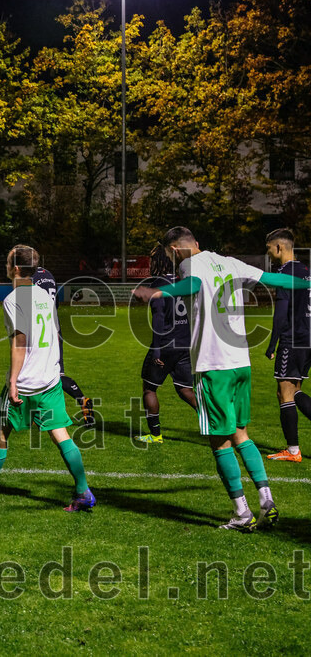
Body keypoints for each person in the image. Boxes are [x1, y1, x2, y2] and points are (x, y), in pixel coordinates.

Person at [132, 226, 311, 530]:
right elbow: (273, 279)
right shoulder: (230, 261)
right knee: (241, 433)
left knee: (220, 442)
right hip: (241, 362)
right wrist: (304, 282)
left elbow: (191, 284)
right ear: (197, 243)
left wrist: (159, 291)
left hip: (213, 365)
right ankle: (266, 500)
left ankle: (242, 513)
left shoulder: (190, 264)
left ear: (176, 250)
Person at [0, 245, 95, 511]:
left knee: (0, 431)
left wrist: (13, 382)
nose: (5, 266)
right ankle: (83, 491)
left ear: (16, 268)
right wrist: (53, 367)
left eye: (8, 261)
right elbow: (55, 334)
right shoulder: (44, 295)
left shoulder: (13, 299)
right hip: (50, 379)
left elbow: (19, 342)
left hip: (26, 382)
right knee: (61, 435)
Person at [139, 245, 198, 443]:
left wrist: (156, 350)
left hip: (165, 345)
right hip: (185, 343)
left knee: (149, 389)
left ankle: (155, 435)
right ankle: (214, 423)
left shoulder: (158, 284)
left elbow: (158, 320)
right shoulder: (184, 281)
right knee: (185, 390)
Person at [264, 228, 311, 462]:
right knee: (295, 390)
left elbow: (281, 314)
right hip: (309, 338)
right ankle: (293, 450)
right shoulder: (307, 271)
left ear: (279, 247)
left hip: (293, 339)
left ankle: (293, 451)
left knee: (284, 394)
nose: (269, 254)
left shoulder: (284, 272)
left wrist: (273, 344)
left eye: (270, 249)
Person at [31, 261, 95, 426]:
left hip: (39, 330)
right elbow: (56, 302)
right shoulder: (48, 274)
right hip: (54, 328)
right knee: (57, 373)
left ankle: (29, 413)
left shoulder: (29, 277)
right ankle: (82, 400)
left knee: (32, 370)